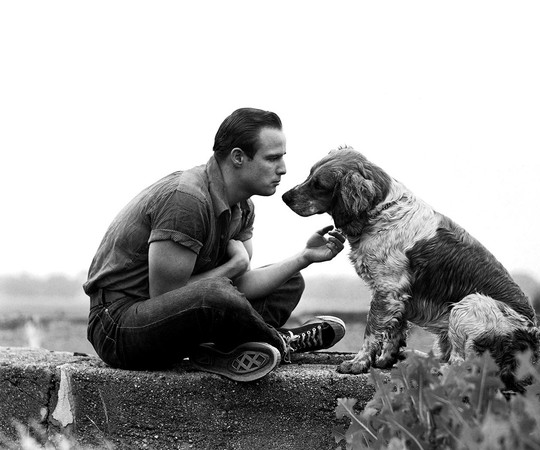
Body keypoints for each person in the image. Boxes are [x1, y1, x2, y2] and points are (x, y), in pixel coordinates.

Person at [83, 107, 346, 382]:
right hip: (118, 325)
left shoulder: (242, 207)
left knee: (288, 281)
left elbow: (238, 287)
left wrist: (304, 257)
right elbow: (167, 296)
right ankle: (284, 342)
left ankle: (219, 352)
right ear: (238, 158)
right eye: (272, 158)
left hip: (179, 318)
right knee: (215, 293)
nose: (283, 168)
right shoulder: (186, 200)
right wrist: (235, 265)